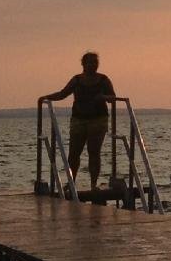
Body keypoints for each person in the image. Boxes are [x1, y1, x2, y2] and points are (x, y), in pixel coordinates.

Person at [40, 52, 116, 189]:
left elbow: (112, 97)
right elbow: (63, 94)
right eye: (90, 62)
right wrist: (45, 97)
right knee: (74, 152)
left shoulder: (103, 79)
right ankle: (71, 181)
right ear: (83, 64)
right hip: (79, 119)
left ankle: (93, 184)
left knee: (94, 151)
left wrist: (103, 97)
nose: (93, 65)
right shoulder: (77, 79)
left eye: (95, 62)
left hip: (98, 120)